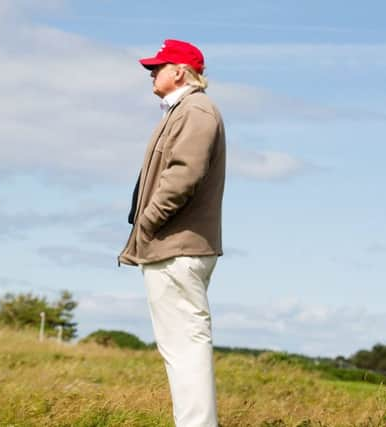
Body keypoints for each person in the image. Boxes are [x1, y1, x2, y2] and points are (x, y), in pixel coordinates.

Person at [118, 39, 226, 427]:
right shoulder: (186, 111)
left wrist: (147, 223)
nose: (151, 73)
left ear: (180, 71)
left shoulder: (196, 111)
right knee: (181, 349)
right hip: (174, 247)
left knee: (185, 349)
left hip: (176, 248)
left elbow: (184, 175)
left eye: (158, 67)